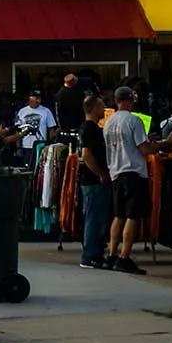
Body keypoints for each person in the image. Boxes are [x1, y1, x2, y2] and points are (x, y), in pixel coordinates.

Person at [105, 85, 172, 274]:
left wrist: (148, 140)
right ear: (130, 100)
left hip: (116, 172)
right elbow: (144, 149)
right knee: (133, 215)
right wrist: (166, 143)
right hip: (133, 172)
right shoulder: (134, 120)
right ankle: (125, 257)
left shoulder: (109, 122)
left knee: (119, 215)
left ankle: (112, 255)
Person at [76, 94, 111, 269]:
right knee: (93, 217)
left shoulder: (95, 128)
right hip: (92, 180)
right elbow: (86, 154)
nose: (104, 109)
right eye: (101, 106)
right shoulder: (88, 129)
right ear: (93, 108)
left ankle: (96, 252)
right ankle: (89, 255)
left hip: (94, 179)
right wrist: (100, 173)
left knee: (98, 217)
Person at [14, 88, 57, 165]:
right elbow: (18, 130)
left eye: (39, 98)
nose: (38, 101)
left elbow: (51, 129)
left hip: (41, 145)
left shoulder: (46, 111)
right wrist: (18, 147)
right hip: (26, 146)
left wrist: (50, 144)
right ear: (30, 98)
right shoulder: (22, 111)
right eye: (36, 98)